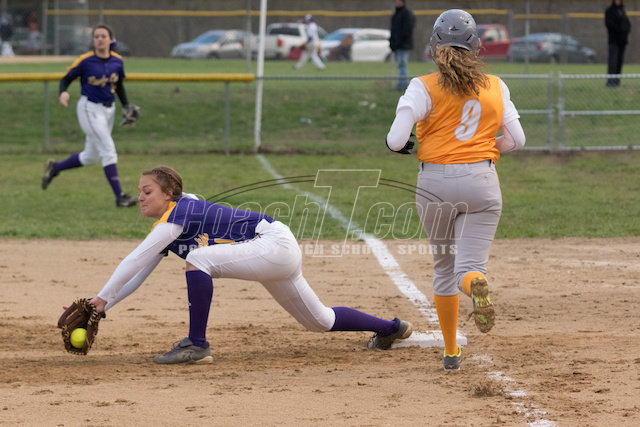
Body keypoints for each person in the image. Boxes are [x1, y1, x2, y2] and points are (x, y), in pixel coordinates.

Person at [82, 166, 413, 364]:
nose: (140, 197)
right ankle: (391, 328)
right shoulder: (170, 223)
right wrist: (104, 305)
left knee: (197, 259)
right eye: (139, 192)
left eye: (147, 191)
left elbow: (134, 259)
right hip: (270, 251)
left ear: (169, 193)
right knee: (320, 321)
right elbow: (137, 274)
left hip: (272, 243)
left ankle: (196, 344)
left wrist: (99, 299)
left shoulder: (178, 214)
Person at [385, 9, 525, 371]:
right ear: (476, 46)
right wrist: (486, 146)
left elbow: (396, 139)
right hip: (481, 180)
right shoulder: (495, 85)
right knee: (469, 267)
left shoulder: (423, 85)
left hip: (435, 183)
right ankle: (476, 281)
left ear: (434, 46)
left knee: (443, 268)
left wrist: (400, 145)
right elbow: (517, 140)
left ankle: (450, 352)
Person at [42, 24, 137, 208]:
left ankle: (55, 168)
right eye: (96, 36)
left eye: (103, 36)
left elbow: (119, 86)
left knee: (90, 157)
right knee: (109, 151)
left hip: (109, 110)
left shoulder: (117, 61)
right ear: (93, 40)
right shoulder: (85, 61)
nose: (99, 39)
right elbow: (66, 79)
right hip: (89, 109)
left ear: (110, 40)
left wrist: (126, 105)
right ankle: (120, 197)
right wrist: (63, 92)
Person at [389, 0, 415, 90]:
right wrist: (392, 42)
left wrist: (401, 41)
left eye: (398, 1)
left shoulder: (406, 13)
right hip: (397, 45)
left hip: (403, 44)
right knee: (400, 64)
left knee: (402, 64)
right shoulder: (396, 14)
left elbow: (407, 29)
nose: (396, 3)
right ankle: (401, 83)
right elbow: (393, 30)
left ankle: (403, 84)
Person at [605, 0, 631, 87]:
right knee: (613, 61)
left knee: (619, 61)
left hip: (622, 41)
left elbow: (627, 23)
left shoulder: (622, 10)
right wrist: (620, 30)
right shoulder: (609, 10)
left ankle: (617, 81)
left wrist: (626, 31)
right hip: (614, 40)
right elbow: (609, 24)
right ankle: (610, 81)